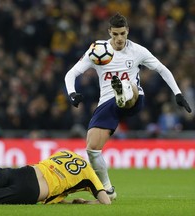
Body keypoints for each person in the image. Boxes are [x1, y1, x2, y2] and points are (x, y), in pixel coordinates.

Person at [64, 13, 192, 199]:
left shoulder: (138, 51)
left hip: (134, 98)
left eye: (122, 33)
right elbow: (71, 74)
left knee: (128, 87)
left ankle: (123, 94)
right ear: (109, 32)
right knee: (92, 149)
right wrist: (72, 93)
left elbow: (162, 69)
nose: (119, 38)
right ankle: (108, 189)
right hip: (108, 102)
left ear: (128, 31)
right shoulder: (98, 50)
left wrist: (178, 93)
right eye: (115, 34)